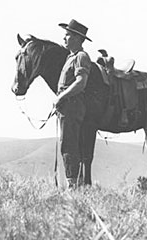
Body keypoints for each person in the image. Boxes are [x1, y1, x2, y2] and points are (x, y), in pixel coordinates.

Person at [54, 19, 92, 188]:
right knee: (67, 143)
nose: (64, 38)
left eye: (68, 35)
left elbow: (81, 82)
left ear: (77, 38)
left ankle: (73, 186)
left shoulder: (81, 57)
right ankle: (73, 183)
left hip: (72, 106)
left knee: (69, 144)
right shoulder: (71, 57)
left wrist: (61, 97)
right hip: (67, 106)